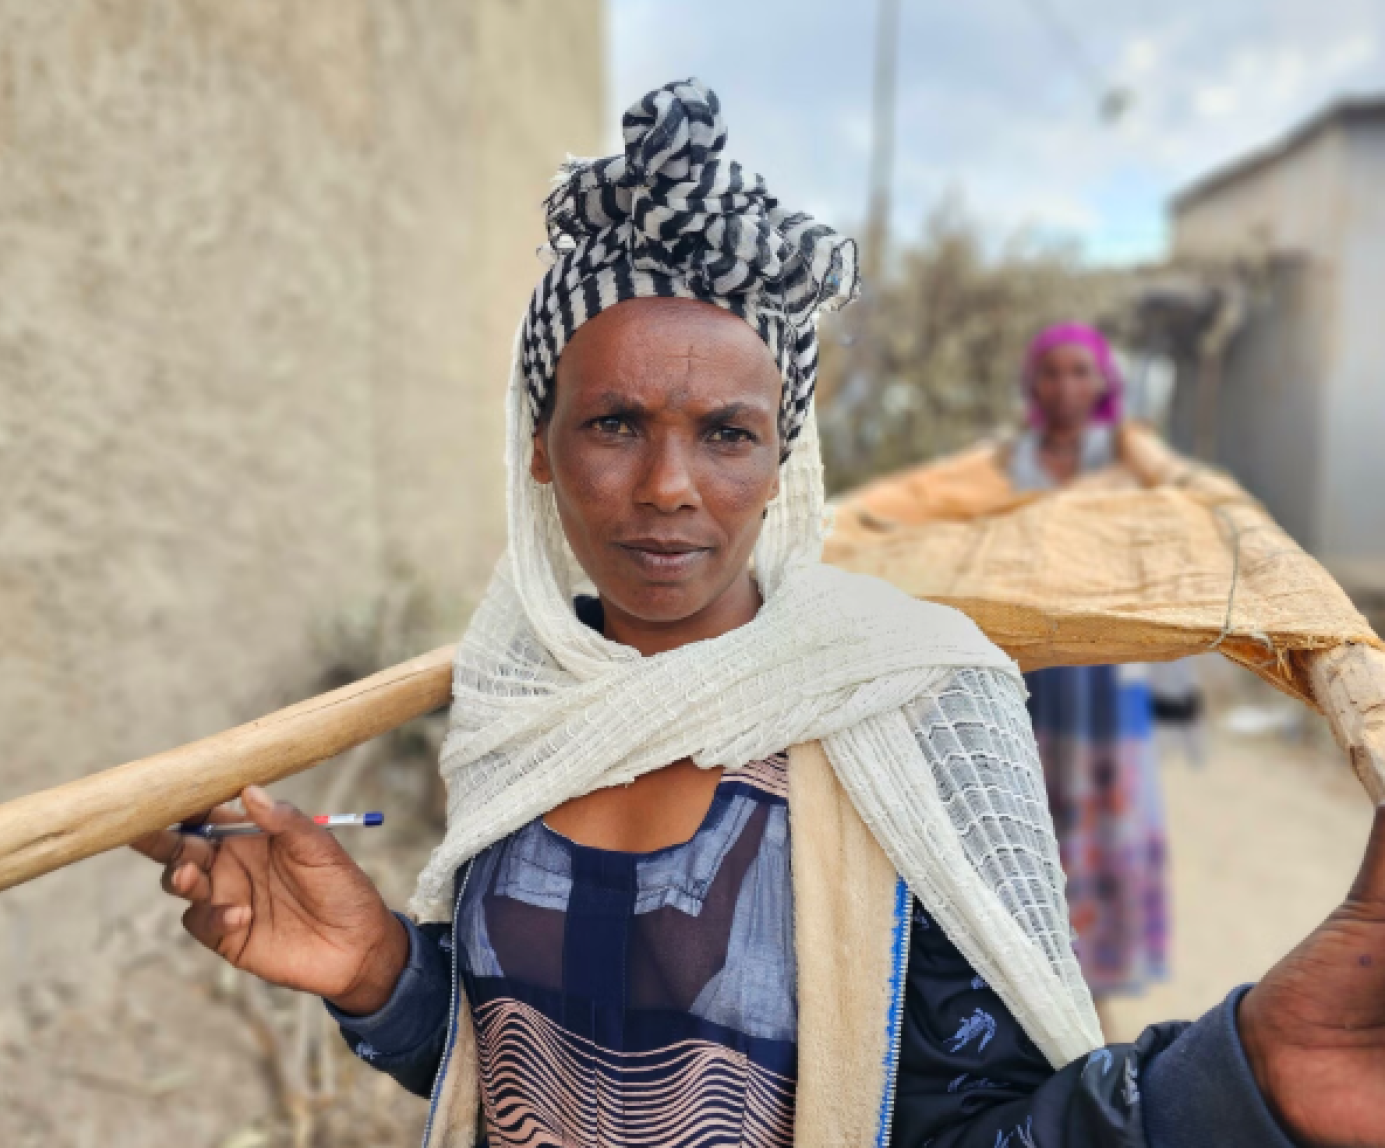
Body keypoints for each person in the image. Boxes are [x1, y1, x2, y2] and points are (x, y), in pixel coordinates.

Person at [133, 81, 1385, 1148]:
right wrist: (380, 975)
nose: (669, 486)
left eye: (727, 434)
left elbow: (999, 1122)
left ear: (784, 462)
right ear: (539, 450)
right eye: (614, 423)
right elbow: (524, 1070)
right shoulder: (523, 690)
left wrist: (1248, 1069)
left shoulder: (907, 700)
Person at [1010, 326, 1170, 1012]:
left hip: (1106, 681)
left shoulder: (1128, 459)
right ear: (1033, 383)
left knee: (1104, 825)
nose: (1066, 386)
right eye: (1052, 371)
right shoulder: (1014, 463)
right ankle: (1036, 989)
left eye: (1081, 371)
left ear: (1104, 381)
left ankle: (1095, 1003)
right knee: (1030, 823)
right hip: (1035, 678)